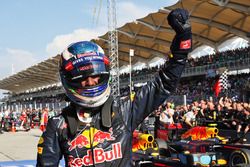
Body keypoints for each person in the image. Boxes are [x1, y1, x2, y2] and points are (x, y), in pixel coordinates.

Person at [36, 8, 192, 167]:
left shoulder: (124, 110)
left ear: (104, 72)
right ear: (68, 79)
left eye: (95, 74)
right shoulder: (58, 124)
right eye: (82, 77)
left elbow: (164, 83)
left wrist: (183, 41)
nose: (91, 82)